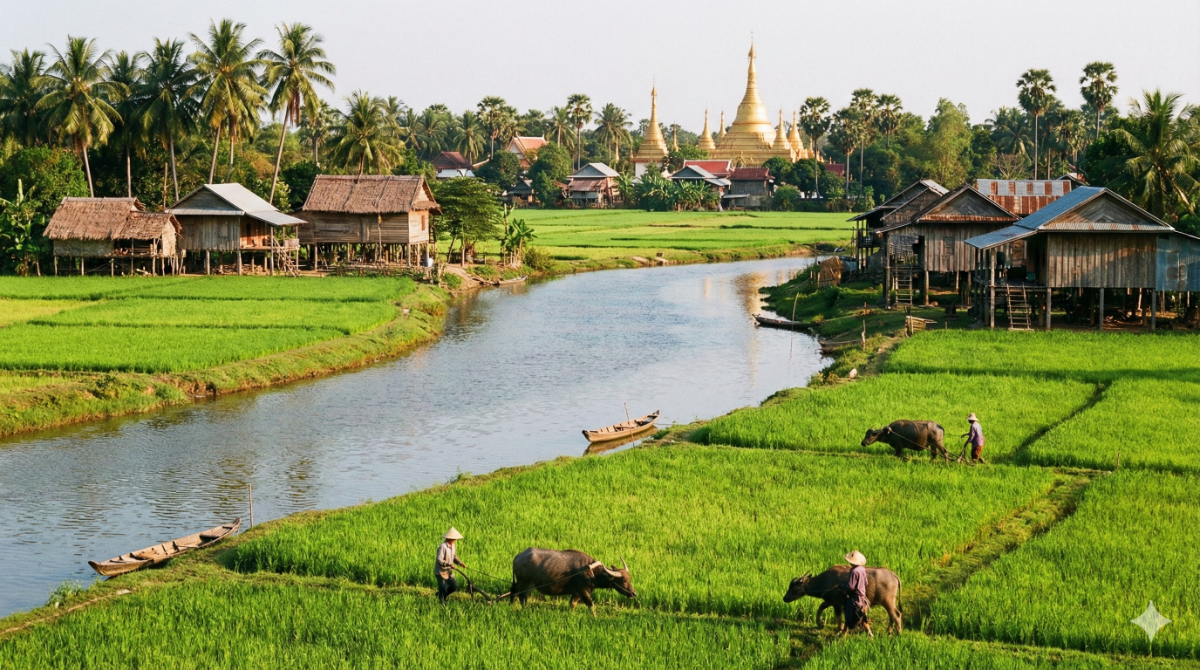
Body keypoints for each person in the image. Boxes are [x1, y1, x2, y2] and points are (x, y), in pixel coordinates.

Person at [842, 550, 872, 637]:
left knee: (848, 611)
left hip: (855, 597)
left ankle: (845, 632)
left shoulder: (853, 571)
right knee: (861, 614)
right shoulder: (862, 569)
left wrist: (842, 587)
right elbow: (866, 582)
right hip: (862, 596)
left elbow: (851, 587)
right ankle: (870, 634)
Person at [435, 527, 467, 602]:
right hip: (441, 571)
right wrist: (449, 564)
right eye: (454, 538)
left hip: (448, 571)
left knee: (454, 586)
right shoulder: (442, 546)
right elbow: (439, 559)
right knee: (444, 588)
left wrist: (460, 563)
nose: (455, 540)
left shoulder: (452, 545)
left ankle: (440, 595)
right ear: (449, 538)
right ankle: (442, 602)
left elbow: (454, 556)